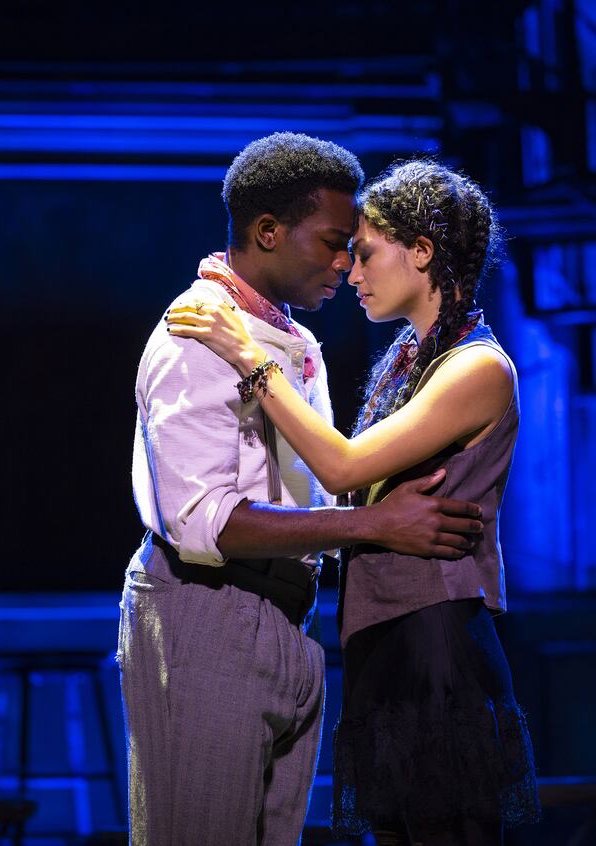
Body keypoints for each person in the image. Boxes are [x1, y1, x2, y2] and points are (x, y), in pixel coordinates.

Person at [118, 136, 485, 846]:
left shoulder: (288, 341)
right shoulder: (200, 332)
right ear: (267, 232)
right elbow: (206, 525)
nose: (345, 263)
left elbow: (325, 476)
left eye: (354, 246)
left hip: (289, 617)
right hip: (211, 609)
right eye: (332, 242)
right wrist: (373, 527)